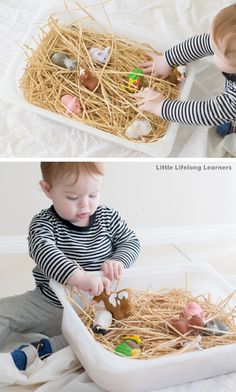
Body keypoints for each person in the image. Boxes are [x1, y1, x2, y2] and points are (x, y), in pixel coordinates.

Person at [0, 162, 140, 371]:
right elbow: (45, 253)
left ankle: (43, 348)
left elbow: (131, 241)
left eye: (93, 195)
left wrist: (119, 260)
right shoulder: (43, 224)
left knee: (103, 332)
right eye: (73, 197)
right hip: (51, 303)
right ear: (48, 189)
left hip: (98, 308)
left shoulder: (108, 217)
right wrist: (79, 277)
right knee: (4, 310)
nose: (85, 205)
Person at [137, 3, 236, 137]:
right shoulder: (226, 38)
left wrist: (161, 106)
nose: (211, 49)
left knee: (226, 115)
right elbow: (201, 44)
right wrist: (168, 60)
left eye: (217, 53)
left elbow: (208, 112)